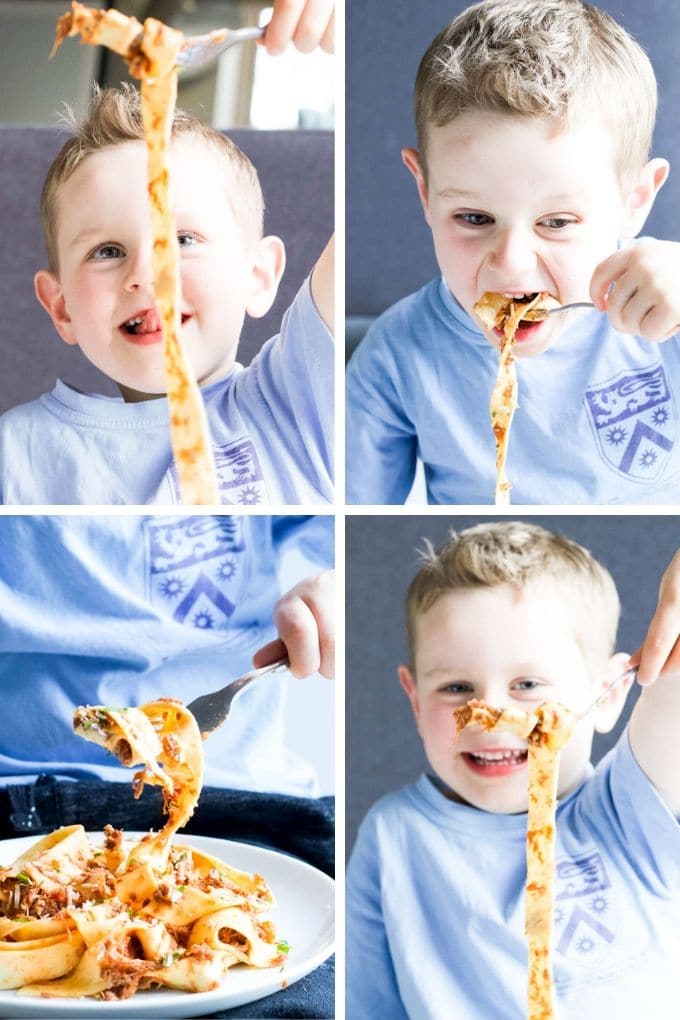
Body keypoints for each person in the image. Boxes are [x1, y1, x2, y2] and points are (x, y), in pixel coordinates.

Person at [346, 0, 680, 505]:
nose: (511, 263)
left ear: (633, 201)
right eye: (474, 219)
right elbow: (354, 516)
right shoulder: (395, 358)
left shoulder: (669, 306)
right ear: (425, 193)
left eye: (557, 223)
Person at [0, 0, 334, 505]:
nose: (149, 274)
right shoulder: (18, 455)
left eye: (182, 240)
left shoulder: (297, 400)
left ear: (258, 276)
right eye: (107, 250)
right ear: (62, 306)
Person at [345, 521, 680, 1019]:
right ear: (415, 700)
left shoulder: (630, 808)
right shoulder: (394, 836)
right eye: (456, 687)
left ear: (608, 694)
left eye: (527, 684)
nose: (491, 713)